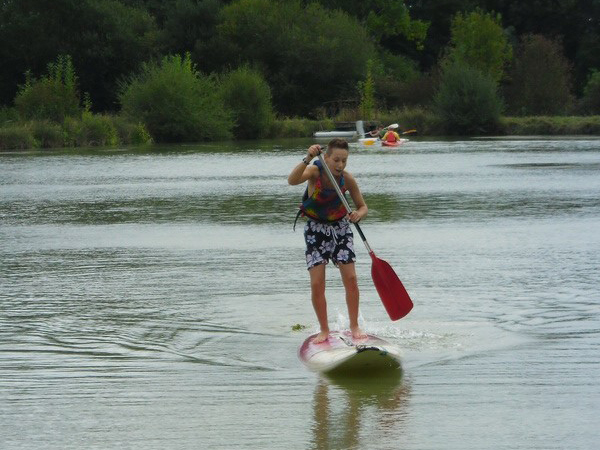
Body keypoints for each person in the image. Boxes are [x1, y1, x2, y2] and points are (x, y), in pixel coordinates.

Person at [288, 138, 368, 343]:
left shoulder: (348, 180)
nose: (340, 165)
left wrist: (358, 215)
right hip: (316, 231)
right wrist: (307, 158)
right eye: (336, 160)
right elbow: (292, 180)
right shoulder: (315, 172)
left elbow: (362, 206)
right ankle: (324, 330)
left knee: (351, 279)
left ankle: (354, 326)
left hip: (341, 229)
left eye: (344, 161)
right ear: (326, 158)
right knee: (317, 284)